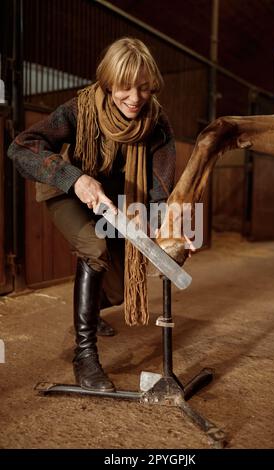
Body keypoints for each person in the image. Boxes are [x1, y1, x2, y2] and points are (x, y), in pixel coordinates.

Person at [7, 37, 176, 392]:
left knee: (115, 286)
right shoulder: (79, 109)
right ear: (107, 83)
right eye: (124, 88)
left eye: (144, 89)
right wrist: (75, 178)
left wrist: (155, 219)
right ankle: (85, 355)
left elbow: (160, 185)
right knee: (95, 247)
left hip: (116, 201)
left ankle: (93, 309)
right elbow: (20, 147)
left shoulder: (157, 124)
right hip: (68, 189)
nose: (134, 98)